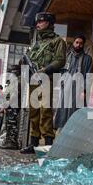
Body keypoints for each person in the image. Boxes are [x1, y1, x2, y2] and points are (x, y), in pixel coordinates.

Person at [20, 12, 66, 154]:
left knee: (45, 111)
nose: (38, 24)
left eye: (41, 22)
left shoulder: (58, 41)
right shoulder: (37, 44)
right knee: (34, 112)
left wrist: (44, 70)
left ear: (49, 23)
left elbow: (60, 61)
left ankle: (47, 144)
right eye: (37, 22)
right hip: (34, 80)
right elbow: (29, 60)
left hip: (47, 79)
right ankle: (33, 144)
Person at [54, 35, 93, 131]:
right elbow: (61, 72)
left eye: (81, 43)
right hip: (65, 88)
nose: (78, 45)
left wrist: (84, 91)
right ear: (74, 43)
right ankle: (62, 132)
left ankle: (74, 132)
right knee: (63, 110)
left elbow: (89, 76)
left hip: (78, 90)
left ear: (83, 45)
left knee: (76, 112)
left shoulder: (87, 59)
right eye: (77, 42)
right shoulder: (67, 56)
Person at [0, 66, 22, 150]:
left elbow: (15, 94)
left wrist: (7, 103)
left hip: (13, 105)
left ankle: (12, 142)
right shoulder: (13, 81)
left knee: (12, 124)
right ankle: (9, 141)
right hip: (10, 105)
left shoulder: (18, 80)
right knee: (9, 124)